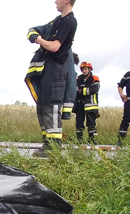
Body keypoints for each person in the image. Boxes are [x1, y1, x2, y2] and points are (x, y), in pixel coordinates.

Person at [25, 0, 77, 154]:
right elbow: (38, 29)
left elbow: (54, 46)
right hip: (47, 72)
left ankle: (54, 147)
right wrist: (34, 33)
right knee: (43, 108)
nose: (55, 1)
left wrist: (39, 40)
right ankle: (47, 144)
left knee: (51, 109)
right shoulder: (57, 21)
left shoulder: (69, 21)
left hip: (57, 73)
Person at [74, 61, 100, 143]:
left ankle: (91, 139)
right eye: (83, 69)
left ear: (89, 69)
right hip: (80, 103)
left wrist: (82, 91)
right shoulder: (78, 79)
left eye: (85, 69)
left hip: (91, 104)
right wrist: (83, 90)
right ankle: (79, 139)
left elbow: (94, 89)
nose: (84, 71)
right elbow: (75, 89)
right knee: (79, 121)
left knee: (91, 122)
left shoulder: (95, 78)